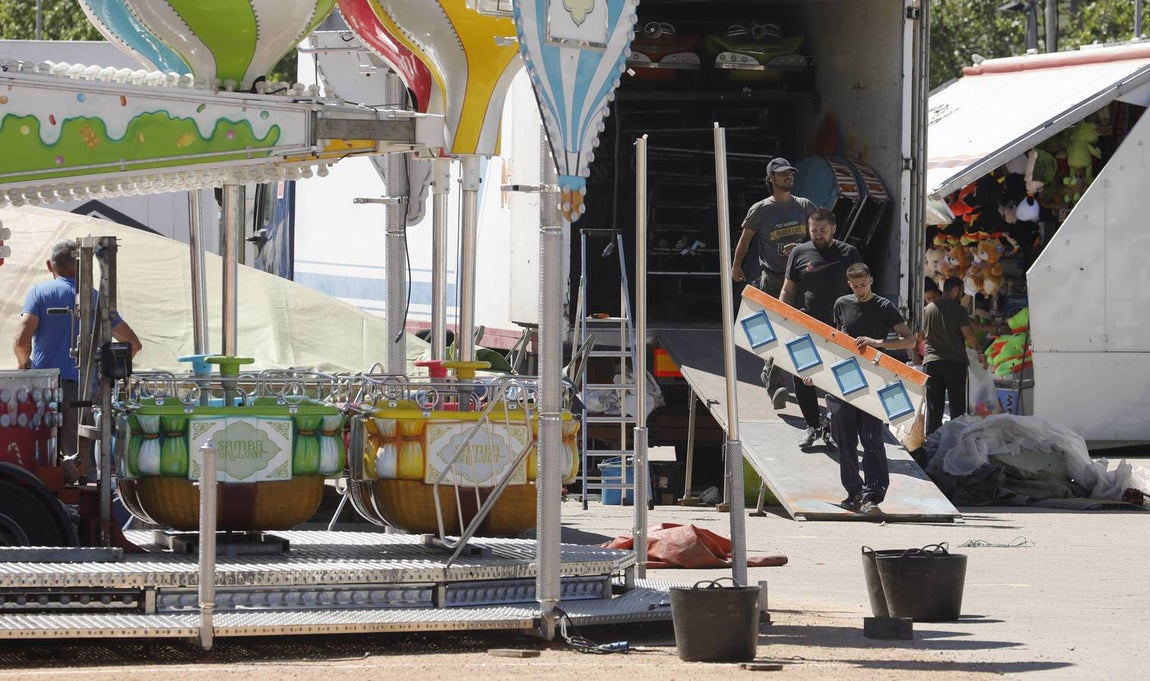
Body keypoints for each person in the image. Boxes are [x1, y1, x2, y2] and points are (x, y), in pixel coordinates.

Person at [13, 239, 142, 481]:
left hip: (46, 390)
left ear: (50, 266)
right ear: (82, 268)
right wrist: (108, 374)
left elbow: (21, 340)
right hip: (85, 392)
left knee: (44, 458)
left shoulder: (39, 293)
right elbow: (133, 343)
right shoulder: (97, 300)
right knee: (82, 462)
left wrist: (25, 367)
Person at [829, 264, 917, 515]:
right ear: (849, 284)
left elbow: (910, 340)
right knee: (844, 440)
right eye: (855, 286)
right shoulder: (841, 304)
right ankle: (853, 493)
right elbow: (834, 340)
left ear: (871, 280)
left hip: (873, 381)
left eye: (863, 285)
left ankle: (873, 496)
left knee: (872, 439)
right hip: (844, 380)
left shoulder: (883, 307)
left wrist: (877, 343)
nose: (859, 290)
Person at [731, 157, 815, 409]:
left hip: (801, 279)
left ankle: (788, 377)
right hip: (773, 279)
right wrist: (736, 266)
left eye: (790, 173)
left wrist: (801, 248)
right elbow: (745, 240)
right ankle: (776, 385)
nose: (788, 177)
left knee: (801, 331)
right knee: (776, 332)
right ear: (771, 179)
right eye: (782, 174)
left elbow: (821, 237)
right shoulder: (761, 210)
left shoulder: (804, 206)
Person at [779, 207, 862, 449]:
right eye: (813, 230)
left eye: (822, 231)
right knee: (803, 376)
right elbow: (788, 289)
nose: (817, 235)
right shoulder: (799, 252)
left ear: (833, 229)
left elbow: (859, 287)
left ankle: (830, 425)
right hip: (805, 323)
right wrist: (782, 317)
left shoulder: (849, 252)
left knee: (836, 379)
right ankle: (812, 426)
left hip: (839, 327)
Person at [921, 276, 987, 435]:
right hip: (954, 364)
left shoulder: (926, 309)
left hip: (931, 363)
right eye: (962, 292)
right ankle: (956, 443)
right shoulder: (959, 310)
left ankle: (932, 444)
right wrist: (980, 352)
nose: (962, 296)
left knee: (934, 408)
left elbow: (920, 336)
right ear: (956, 289)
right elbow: (969, 336)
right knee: (957, 409)